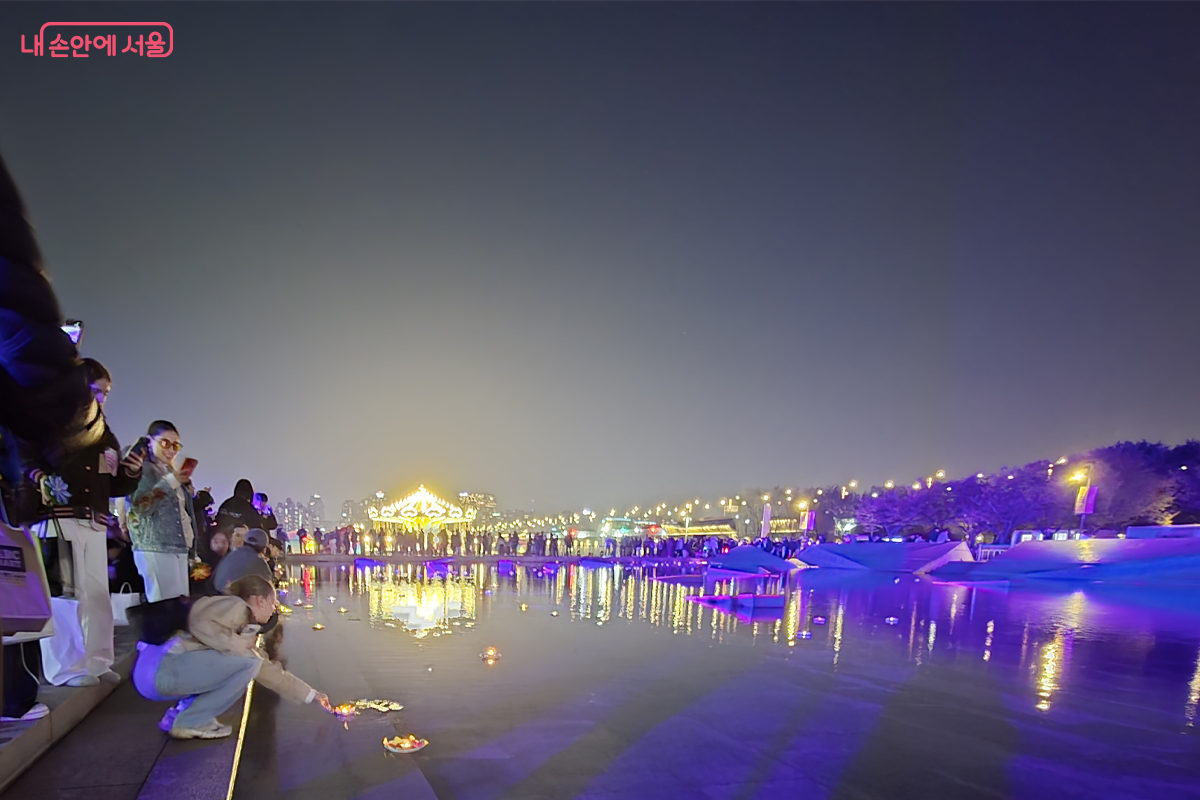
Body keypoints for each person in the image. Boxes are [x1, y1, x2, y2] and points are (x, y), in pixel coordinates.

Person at [27, 358, 143, 687]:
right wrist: (41, 478)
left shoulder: (103, 434)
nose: (102, 399)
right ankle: (65, 668)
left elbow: (113, 485)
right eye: (96, 391)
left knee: (96, 596)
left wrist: (130, 470)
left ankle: (96, 660)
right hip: (56, 520)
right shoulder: (48, 419)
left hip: (93, 522)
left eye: (106, 393)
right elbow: (23, 456)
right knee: (64, 595)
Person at [132, 574, 331, 739]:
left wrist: (311, 694)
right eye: (273, 602)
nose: (275, 608)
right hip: (163, 671)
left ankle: (178, 715)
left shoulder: (237, 622)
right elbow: (199, 619)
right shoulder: (236, 606)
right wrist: (238, 646)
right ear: (259, 599)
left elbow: (268, 670)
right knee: (248, 661)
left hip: (154, 674)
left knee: (249, 661)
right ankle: (192, 721)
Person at [127, 421, 198, 602]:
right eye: (165, 443)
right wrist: (170, 482)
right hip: (155, 547)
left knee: (178, 609)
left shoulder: (166, 470)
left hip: (177, 547)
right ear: (150, 441)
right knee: (163, 609)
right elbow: (140, 507)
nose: (171, 450)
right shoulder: (141, 468)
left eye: (176, 446)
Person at [211, 528, 273, 594]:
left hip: (213, 597)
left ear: (244, 542)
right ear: (264, 549)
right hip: (231, 600)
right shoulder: (259, 562)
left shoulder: (230, 555)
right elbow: (268, 587)